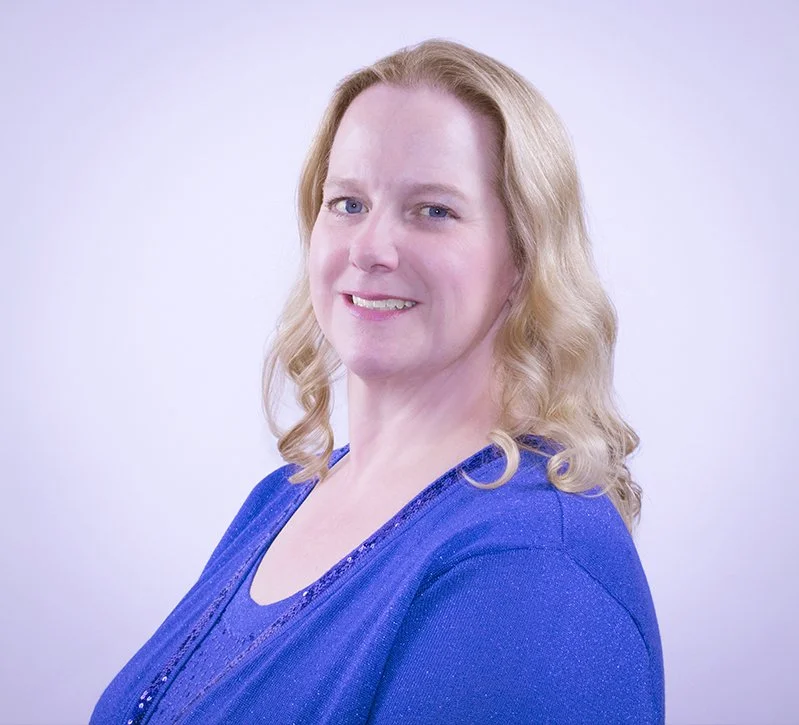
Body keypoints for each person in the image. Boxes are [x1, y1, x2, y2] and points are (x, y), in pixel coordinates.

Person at [91, 38, 665, 724]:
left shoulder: (534, 573)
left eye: (433, 210)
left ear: (523, 259)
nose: (369, 249)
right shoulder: (282, 498)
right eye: (347, 203)